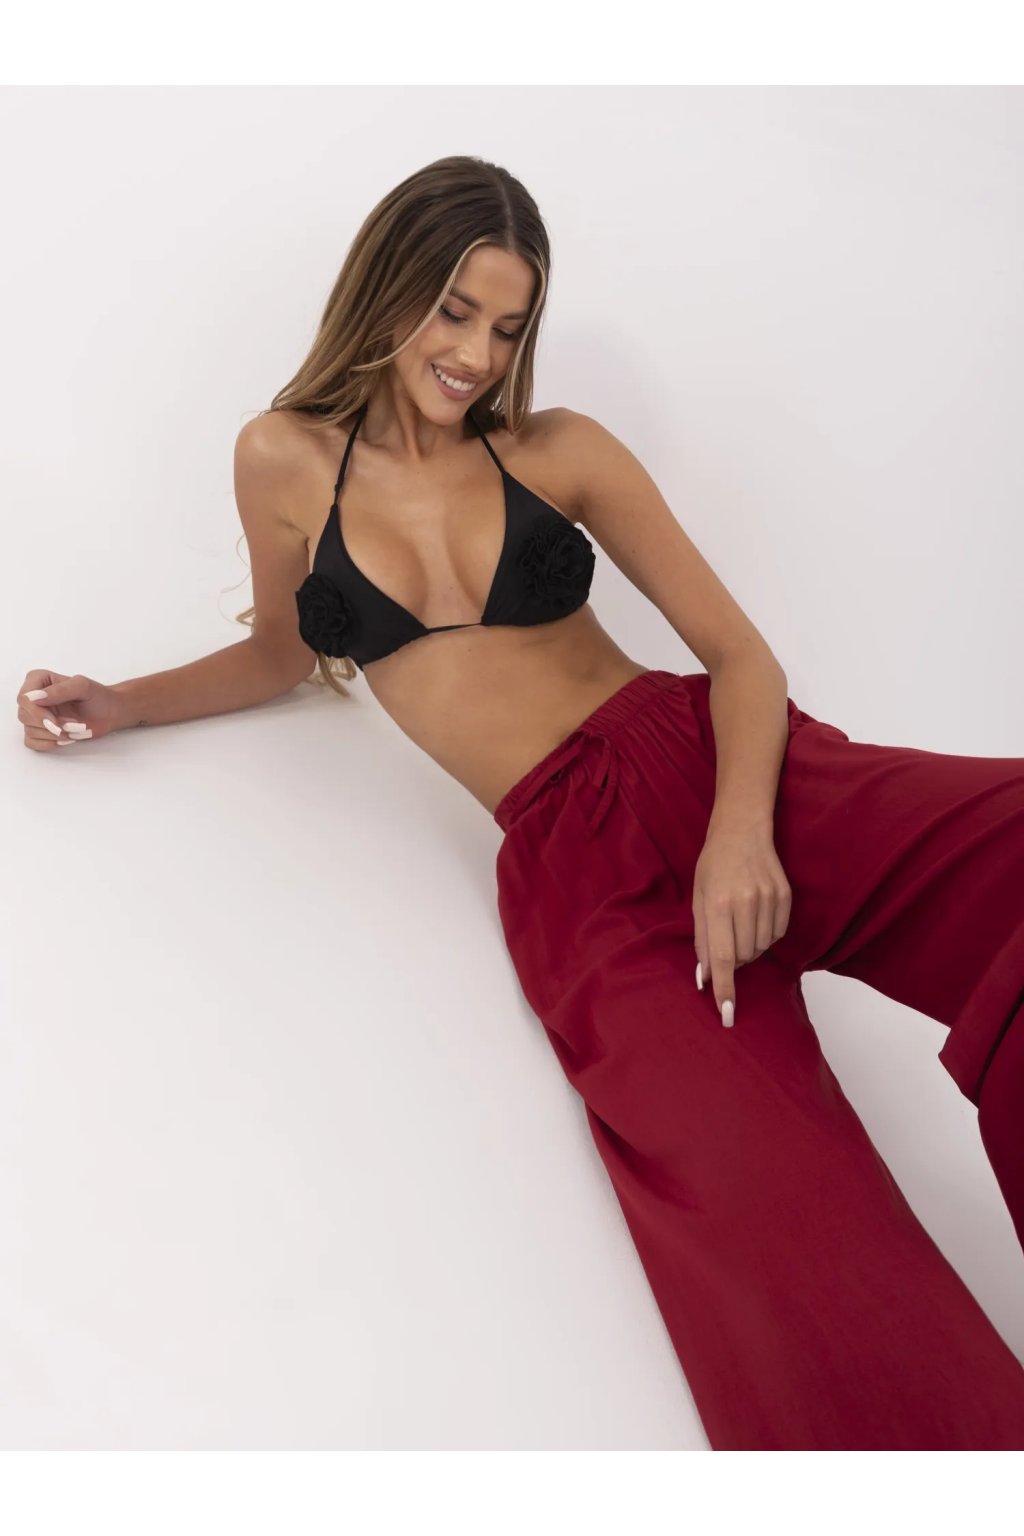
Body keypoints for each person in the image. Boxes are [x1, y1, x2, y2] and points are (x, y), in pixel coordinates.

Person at [15, 154, 1024, 1451]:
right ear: (387, 287)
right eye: (454, 312)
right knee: (776, 1221)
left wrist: (737, 839)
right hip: (580, 878)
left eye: (506, 326)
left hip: (720, 765)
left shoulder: (560, 452)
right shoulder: (280, 458)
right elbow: (284, 651)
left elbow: (744, 660)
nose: (476, 355)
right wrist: (124, 701)